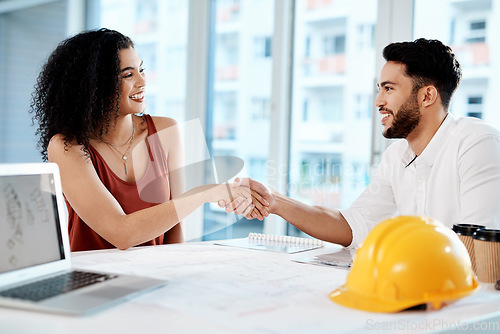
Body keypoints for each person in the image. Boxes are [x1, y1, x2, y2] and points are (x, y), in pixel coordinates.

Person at [221, 38, 500, 248]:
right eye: (380, 88)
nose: (378, 101)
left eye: (389, 88)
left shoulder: (476, 142)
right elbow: (353, 225)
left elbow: (478, 246)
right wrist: (274, 200)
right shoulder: (397, 157)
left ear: (427, 96)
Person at [31, 28, 268, 251]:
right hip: (92, 283)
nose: (142, 82)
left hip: (153, 278)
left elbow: (175, 228)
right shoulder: (66, 147)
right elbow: (120, 232)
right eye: (128, 74)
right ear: (94, 85)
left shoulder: (166, 131)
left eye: (141, 70)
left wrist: (173, 279)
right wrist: (206, 193)